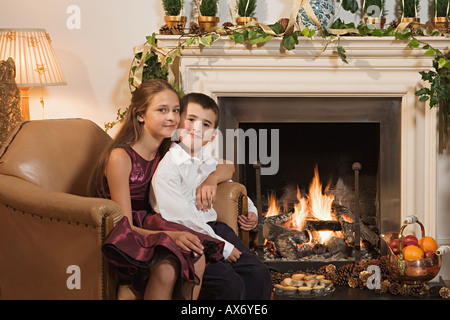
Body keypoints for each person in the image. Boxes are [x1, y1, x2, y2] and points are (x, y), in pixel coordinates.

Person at [89, 79, 233, 300]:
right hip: (130, 232)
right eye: (162, 110)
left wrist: (211, 178)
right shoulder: (121, 157)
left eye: (176, 110)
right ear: (140, 115)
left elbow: (225, 165)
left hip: (155, 221)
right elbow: (123, 224)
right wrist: (170, 236)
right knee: (166, 267)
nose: (172, 117)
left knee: (197, 255)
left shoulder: (168, 149)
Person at [150, 92, 272, 300]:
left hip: (216, 229)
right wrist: (222, 247)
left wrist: (250, 211)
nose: (197, 128)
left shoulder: (206, 159)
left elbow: (229, 182)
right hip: (191, 237)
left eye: (206, 124)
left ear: (212, 136)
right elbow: (181, 218)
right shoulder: (168, 168)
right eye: (191, 119)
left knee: (259, 274)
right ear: (178, 122)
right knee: (230, 285)